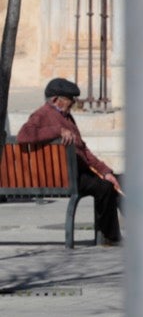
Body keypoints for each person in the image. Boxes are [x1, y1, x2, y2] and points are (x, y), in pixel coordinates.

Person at [16, 78, 123, 246]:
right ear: (55, 100)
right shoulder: (41, 114)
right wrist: (57, 130)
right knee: (105, 188)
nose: (73, 102)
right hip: (66, 177)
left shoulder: (67, 118)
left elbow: (83, 150)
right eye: (70, 99)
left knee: (120, 180)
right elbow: (23, 135)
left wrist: (105, 171)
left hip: (78, 172)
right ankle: (111, 237)